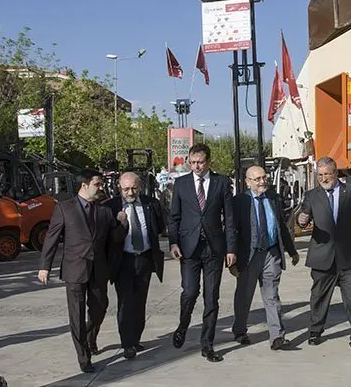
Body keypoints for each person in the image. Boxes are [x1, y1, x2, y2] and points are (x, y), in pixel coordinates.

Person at [297, 156, 351, 354]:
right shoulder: (312, 195)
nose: (324, 178)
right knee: (319, 298)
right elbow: (303, 218)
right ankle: (315, 330)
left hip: (349, 256)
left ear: (336, 173)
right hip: (322, 257)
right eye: (320, 175)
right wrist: (302, 219)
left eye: (327, 174)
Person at [37, 169, 116, 373]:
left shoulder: (104, 211)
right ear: (85, 185)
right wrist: (45, 266)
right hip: (74, 270)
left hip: (98, 270)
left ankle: (90, 338)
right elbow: (51, 238)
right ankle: (84, 358)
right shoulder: (64, 208)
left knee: (100, 308)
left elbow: (112, 241)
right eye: (98, 184)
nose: (102, 188)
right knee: (77, 315)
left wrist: (122, 224)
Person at [168, 143, 236, 362]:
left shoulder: (222, 183)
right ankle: (183, 325)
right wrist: (173, 243)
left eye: (201, 162)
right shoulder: (181, 184)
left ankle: (207, 344)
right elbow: (174, 217)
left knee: (211, 298)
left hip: (214, 248)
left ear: (209, 162)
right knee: (189, 292)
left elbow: (230, 219)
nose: (196, 166)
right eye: (193, 162)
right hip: (189, 248)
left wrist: (231, 248)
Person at [231, 165, 300, 350]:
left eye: (264, 178)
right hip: (249, 255)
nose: (263, 182)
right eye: (258, 179)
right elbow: (231, 230)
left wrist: (291, 250)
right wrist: (231, 256)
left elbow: (281, 227)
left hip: (271, 253)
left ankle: (277, 336)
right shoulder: (239, 201)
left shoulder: (273, 198)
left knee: (272, 295)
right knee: (244, 295)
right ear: (247, 182)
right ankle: (240, 330)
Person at [105, 172, 165, 360]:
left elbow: (160, 227)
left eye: (133, 188)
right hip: (123, 261)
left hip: (145, 259)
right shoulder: (110, 207)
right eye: (125, 189)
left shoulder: (151, 204)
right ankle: (127, 343)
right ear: (119, 188)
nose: (130, 192)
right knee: (125, 303)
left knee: (140, 302)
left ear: (140, 186)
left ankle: (136, 338)